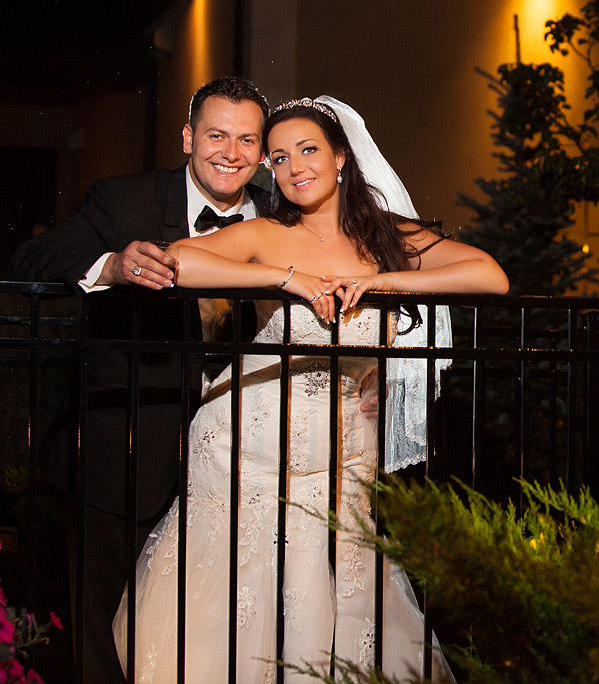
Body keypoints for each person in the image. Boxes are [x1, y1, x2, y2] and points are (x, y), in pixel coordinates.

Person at [112, 96, 508, 682]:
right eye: (277, 157)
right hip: (245, 447)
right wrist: (286, 278)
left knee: (338, 596)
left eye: (308, 150)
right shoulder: (268, 233)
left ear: (341, 156)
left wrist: (378, 282)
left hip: (339, 453)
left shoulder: (389, 238)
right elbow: (178, 263)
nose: (294, 167)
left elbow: (489, 275)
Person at [7, 76, 270, 684]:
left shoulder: (283, 212)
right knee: (106, 631)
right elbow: (33, 263)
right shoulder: (121, 200)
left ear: (261, 151)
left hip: (248, 459)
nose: (230, 152)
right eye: (215, 135)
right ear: (187, 137)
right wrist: (113, 266)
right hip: (124, 451)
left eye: (246, 140)